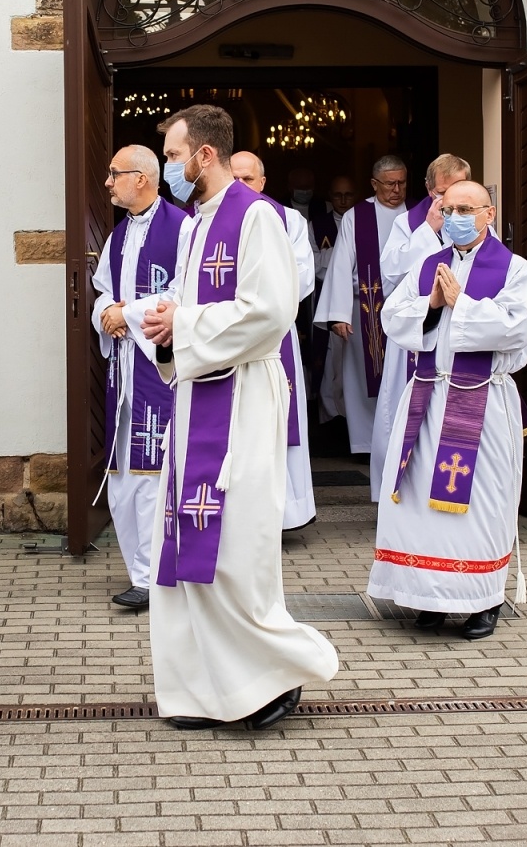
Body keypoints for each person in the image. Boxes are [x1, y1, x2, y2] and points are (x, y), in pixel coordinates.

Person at [142, 105, 337, 731]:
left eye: (173, 156)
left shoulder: (258, 218)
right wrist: (168, 323)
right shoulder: (198, 227)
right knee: (182, 554)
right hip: (198, 397)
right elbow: (197, 305)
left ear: (204, 154)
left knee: (236, 551)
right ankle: (200, 689)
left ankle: (275, 674)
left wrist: (187, 325)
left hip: (245, 402)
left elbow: (271, 311)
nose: (168, 168)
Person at [370, 180, 527, 639]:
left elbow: (516, 330)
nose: (456, 217)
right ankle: (430, 598)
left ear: (490, 213)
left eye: (467, 208)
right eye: (448, 209)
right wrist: (432, 303)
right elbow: (392, 317)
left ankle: (483, 600)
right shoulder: (429, 265)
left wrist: (461, 304)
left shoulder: (513, 269)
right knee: (422, 502)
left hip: (481, 399)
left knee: (481, 504)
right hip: (428, 395)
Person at [92, 145, 187, 609]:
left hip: (157, 365)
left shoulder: (183, 229)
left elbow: (180, 297)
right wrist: (107, 313)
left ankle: (153, 577)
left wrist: (124, 313)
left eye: (116, 174)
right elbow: (102, 292)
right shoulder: (119, 234)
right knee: (123, 476)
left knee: (153, 474)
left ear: (143, 179)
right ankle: (137, 570)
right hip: (123, 368)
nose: (108, 182)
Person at [368, 155, 472, 497]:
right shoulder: (409, 224)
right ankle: (396, 491)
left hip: (459, 338)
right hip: (418, 335)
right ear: (429, 190)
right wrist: (428, 232)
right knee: (401, 414)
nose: (452, 203)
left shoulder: (479, 221)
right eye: (444, 193)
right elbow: (391, 273)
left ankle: (448, 490)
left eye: (459, 190)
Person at [230, 151, 317, 530]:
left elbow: (303, 276)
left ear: (262, 183)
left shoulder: (289, 219)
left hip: (272, 335)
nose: (240, 186)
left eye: (247, 179)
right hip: (223, 337)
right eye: (233, 177)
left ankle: (285, 515)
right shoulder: (204, 218)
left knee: (278, 417)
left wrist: (255, 304)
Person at [311, 157, 409, 461]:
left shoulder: (417, 214)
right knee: (361, 378)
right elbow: (341, 265)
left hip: (407, 309)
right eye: (390, 183)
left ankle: (400, 438)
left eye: (402, 183)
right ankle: (366, 445)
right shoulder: (358, 215)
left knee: (401, 374)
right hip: (363, 307)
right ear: (374, 184)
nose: (396, 190)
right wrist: (338, 314)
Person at [311, 176, 355, 421]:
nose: (343, 200)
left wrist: (334, 257)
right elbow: (313, 265)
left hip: (360, 301)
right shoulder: (316, 225)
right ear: (329, 195)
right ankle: (331, 415)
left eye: (348, 195)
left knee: (354, 363)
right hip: (326, 300)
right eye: (337, 195)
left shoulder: (362, 221)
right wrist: (341, 258)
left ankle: (352, 416)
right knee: (329, 362)